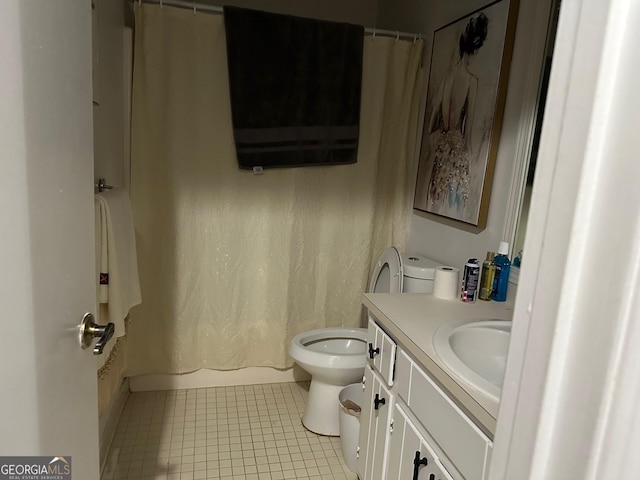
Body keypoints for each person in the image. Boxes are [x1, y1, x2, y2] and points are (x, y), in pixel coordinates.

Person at [423, 13, 489, 215]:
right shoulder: (471, 82)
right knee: (454, 208)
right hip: (457, 155)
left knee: (436, 203)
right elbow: (468, 134)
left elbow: (431, 124)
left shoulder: (446, 79)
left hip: (441, 154)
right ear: (476, 49)